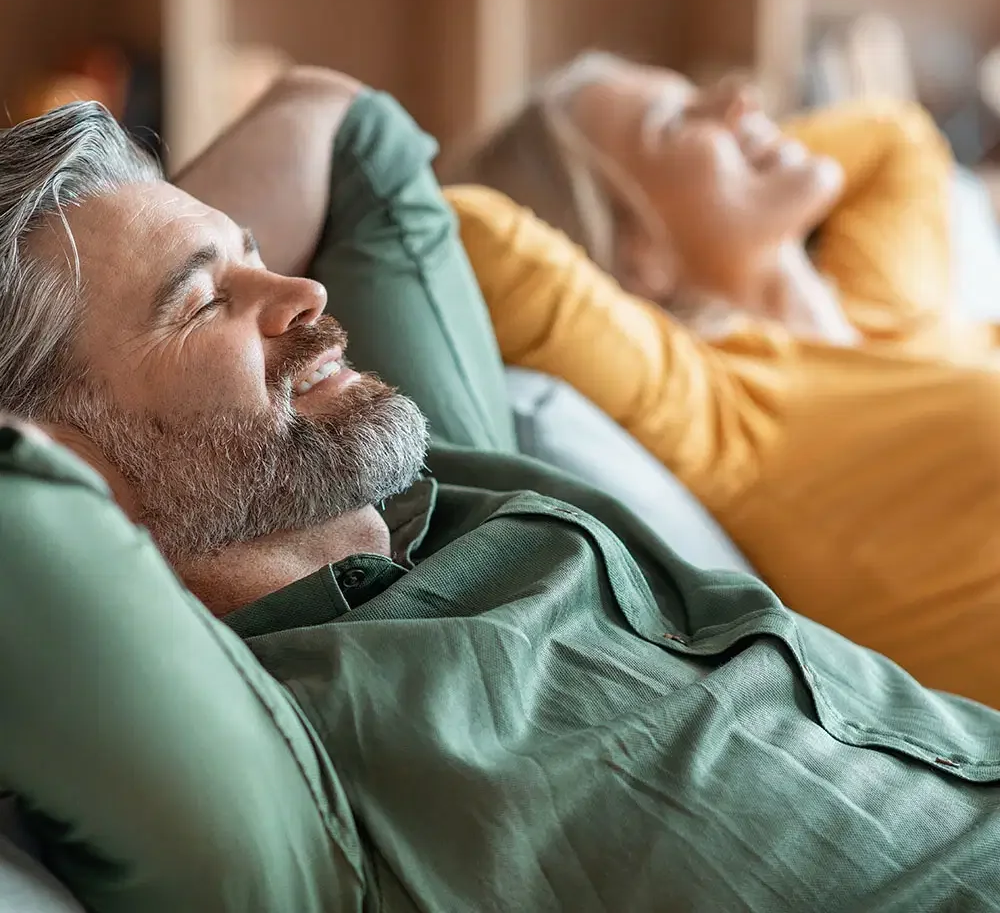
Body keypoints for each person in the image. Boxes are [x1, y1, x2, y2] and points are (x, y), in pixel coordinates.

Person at [2, 68, 1000, 913]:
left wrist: (142, 252)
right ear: (72, 463)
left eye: (259, 251)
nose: (303, 294)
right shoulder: (270, 770)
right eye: (206, 300)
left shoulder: (449, 479)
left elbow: (351, 128)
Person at [440, 50, 1000, 706]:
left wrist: (748, 166)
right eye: (677, 121)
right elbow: (470, 230)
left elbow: (894, 138)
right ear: (634, 249)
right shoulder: (723, 410)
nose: (738, 96)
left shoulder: (880, 305)